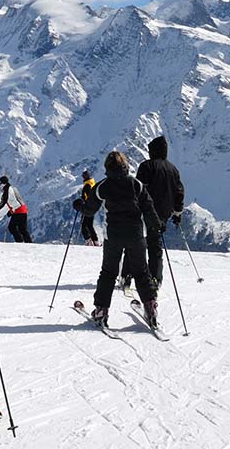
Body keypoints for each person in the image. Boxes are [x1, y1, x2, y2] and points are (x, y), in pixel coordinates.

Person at [77, 150, 161, 329]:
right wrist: (157, 224)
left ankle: (101, 311)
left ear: (107, 167)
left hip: (113, 235)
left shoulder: (102, 186)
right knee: (141, 272)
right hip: (136, 235)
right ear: (125, 165)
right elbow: (148, 207)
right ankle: (151, 307)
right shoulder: (136, 184)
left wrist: (80, 206)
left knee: (108, 273)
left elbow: (90, 210)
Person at [135, 135, 185, 286]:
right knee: (155, 246)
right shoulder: (173, 169)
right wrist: (177, 213)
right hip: (163, 213)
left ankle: (129, 274)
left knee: (135, 243)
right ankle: (156, 278)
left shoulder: (146, 166)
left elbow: (138, 189)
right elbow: (179, 192)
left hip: (145, 211)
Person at [0, 175, 32, 243]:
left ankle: (19, 241)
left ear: (3, 183)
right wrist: (11, 211)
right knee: (22, 229)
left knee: (12, 227)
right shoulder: (13, 188)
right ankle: (29, 243)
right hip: (23, 209)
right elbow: (16, 201)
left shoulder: (7, 191)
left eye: (0, 183)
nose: (0, 185)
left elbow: (3, 202)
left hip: (18, 211)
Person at [80, 170, 99, 246]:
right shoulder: (92, 183)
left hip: (87, 207)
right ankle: (95, 241)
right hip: (93, 207)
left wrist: (83, 202)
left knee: (84, 224)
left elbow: (88, 197)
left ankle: (89, 240)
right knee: (89, 225)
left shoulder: (87, 185)